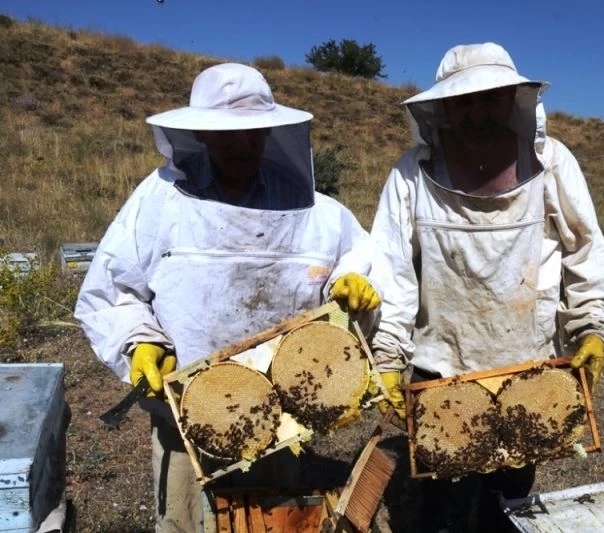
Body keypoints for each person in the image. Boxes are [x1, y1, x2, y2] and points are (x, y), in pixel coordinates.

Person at [74, 63, 380, 533]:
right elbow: (114, 289)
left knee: (274, 519)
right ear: (200, 134)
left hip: (283, 412)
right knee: (182, 521)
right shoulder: (159, 202)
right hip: (186, 417)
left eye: (253, 133)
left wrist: (350, 281)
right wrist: (139, 342)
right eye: (227, 134)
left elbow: (352, 258)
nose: (242, 144)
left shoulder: (312, 208)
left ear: (270, 132)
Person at [369, 43, 604, 532]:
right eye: (463, 101)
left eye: (490, 99)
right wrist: (388, 358)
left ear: (514, 101)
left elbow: (585, 253)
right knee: (441, 508)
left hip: (528, 368)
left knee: (506, 504)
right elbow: (392, 270)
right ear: (443, 107)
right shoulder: (411, 174)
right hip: (441, 369)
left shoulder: (553, 163)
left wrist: (591, 327)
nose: (477, 113)